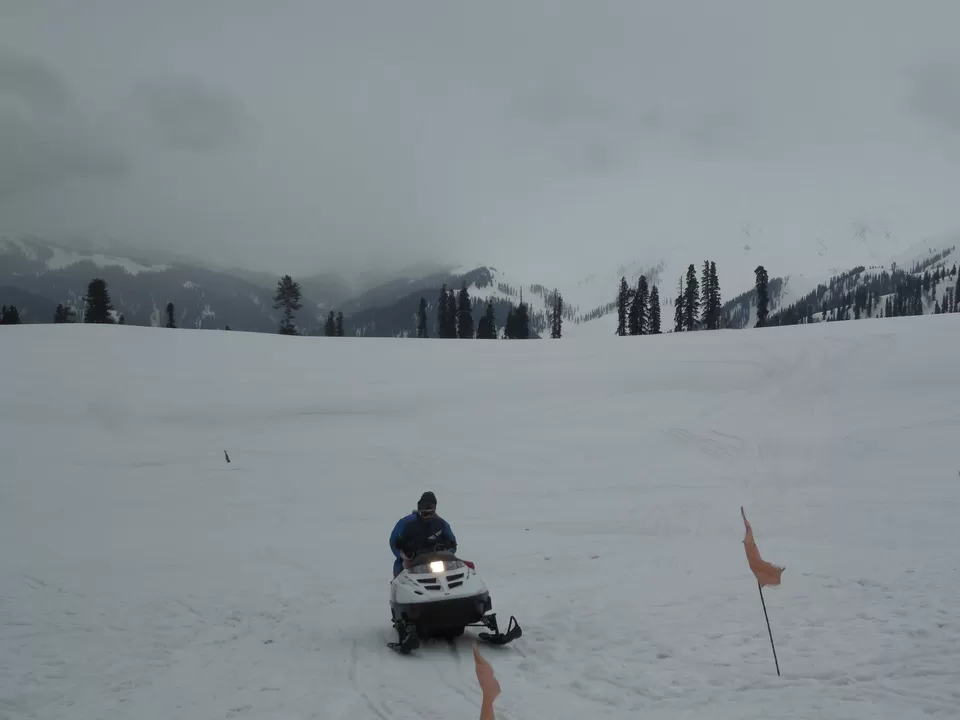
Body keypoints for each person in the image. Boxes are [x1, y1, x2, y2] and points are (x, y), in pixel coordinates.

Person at [389, 491, 457, 577]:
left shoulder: (441, 524)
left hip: (436, 561)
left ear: (434, 509)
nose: (427, 516)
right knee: (404, 568)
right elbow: (393, 541)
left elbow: (452, 542)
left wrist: (447, 549)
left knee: (455, 568)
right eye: (424, 513)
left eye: (430, 512)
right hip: (413, 562)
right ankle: (398, 582)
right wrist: (404, 553)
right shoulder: (407, 523)